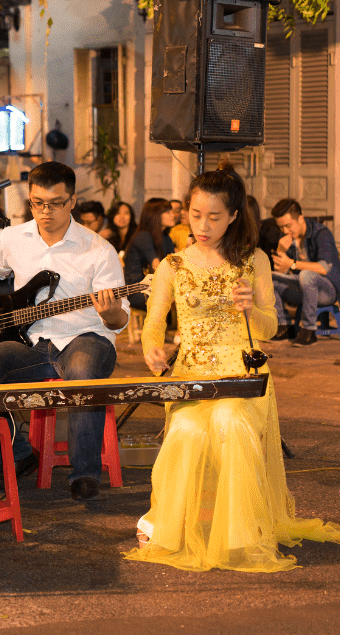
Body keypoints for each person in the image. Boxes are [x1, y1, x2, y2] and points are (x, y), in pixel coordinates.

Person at [126, 164, 340, 572]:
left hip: (242, 375)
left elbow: (270, 328)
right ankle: (171, 525)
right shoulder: (172, 265)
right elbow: (155, 321)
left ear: (235, 215)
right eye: (195, 214)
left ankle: (240, 534)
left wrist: (251, 310)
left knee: (230, 423)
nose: (203, 225)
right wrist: (152, 350)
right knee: (187, 430)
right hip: (190, 375)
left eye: (214, 217)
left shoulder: (253, 259)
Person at [0, 161, 129, 501]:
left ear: (72, 201)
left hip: (87, 336)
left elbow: (119, 321)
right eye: (37, 203)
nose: (44, 211)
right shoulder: (13, 238)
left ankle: (84, 474)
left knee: (82, 372)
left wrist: (111, 313)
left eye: (54, 203)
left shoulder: (98, 249)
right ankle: (20, 453)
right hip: (33, 341)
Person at [269, 198, 340, 346]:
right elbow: (280, 270)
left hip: (327, 290)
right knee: (270, 278)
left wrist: (292, 264)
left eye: (288, 226)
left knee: (306, 275)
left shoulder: (321, 232)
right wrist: (280, 250)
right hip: (302, 288)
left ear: (300, 218)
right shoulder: (286, 236)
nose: (285, 231)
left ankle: (308, 330)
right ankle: (284, 326)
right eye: (281, 227)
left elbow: (323, 268)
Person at [123, 198, 176, 311]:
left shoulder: (167, 239)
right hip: (136, 291)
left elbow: (174, 267)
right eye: (168, 212)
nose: (173, 215)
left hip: (155, 288)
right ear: (155, 215)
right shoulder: (143, 236)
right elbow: (156, 266)